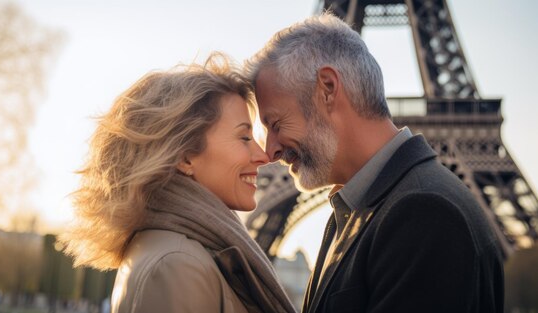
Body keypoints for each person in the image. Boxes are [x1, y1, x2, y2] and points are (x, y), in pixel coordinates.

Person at [245, 13, 504, 313]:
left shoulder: (424, 213)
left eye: (276, 123)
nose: (270, 151)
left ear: (327, 88)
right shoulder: (358, 212)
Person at [61, 54, 296, 313]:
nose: (263, 155)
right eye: (244, 137)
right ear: (185, 157)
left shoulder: (173, 252)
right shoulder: (178, 264)